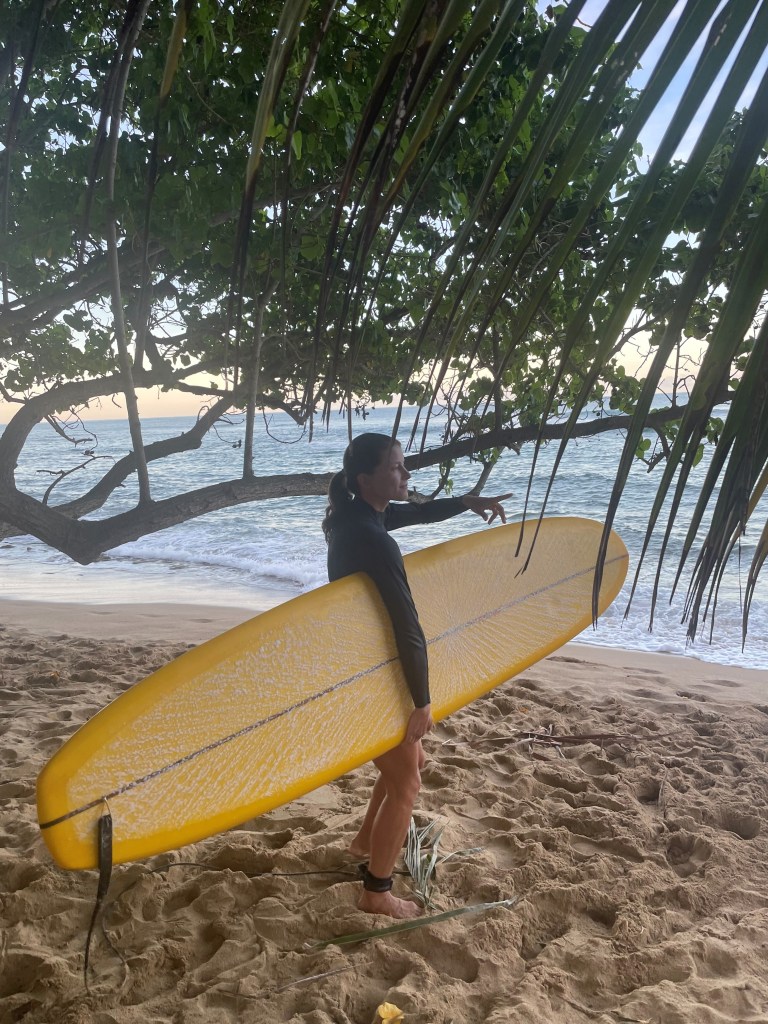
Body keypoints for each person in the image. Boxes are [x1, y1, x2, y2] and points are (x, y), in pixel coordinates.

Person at [322, 432, 511, 919]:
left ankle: (365, 841)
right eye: (397, 468)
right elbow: (408, 625)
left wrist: (465, 503)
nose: (406, 476)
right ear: (367, 479)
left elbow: (412, 512)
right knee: (408, 784)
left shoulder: (351, 518)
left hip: (358, 663)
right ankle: (377, 892)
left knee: (411, 765)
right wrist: (422, 701)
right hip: (369, 676)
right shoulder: (373, 541)